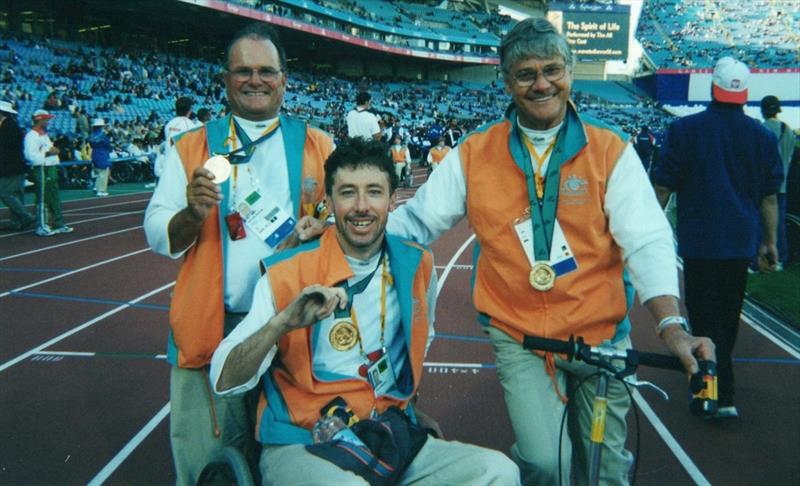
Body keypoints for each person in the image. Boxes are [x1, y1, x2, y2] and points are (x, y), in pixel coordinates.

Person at [381, 18, 715, 485]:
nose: (541, 84)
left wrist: (671, 326)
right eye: (525, 73)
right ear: (506, 81)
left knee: (606, 471)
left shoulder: (609, 149)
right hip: (520, 336)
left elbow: (647, 238)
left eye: (552, 70)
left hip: (600, 337)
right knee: (544, 463)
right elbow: (415, 221)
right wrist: (341, 232)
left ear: (571, 72)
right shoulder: (475, 152)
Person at [209, 138, 519, 485]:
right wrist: (280, 324)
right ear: (328, 201)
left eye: (373, 192)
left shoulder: (417, 263)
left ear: (392, 200)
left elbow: (419, 339)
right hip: (305, 440)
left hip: (386, 432)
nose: (361, 206)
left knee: (499, 472)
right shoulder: (286, 272)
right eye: (347, 193)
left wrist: (412, 410)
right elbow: (224, 380)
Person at [143, 23, 333, 485]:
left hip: (296, 329)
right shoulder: (191, 146)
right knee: (209, 460)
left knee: (292, 455)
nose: (255, 80)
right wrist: (192, 213)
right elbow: (157, 234)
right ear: (225, 78)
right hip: (214, 327)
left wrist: (325, 224)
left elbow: (346, 217)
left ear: (284, 79)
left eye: (266, 71)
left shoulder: (317, 144)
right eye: (243, 70)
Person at [652, 57, 783, 421]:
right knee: (727, 316)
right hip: (739, 241)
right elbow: (769, 197)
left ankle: (710, 388)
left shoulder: (686, 130)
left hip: (699, 240)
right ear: (744, 92)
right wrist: (769, 242)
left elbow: (663, 185)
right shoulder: (762, 136)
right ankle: (721, 391)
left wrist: (646, 230)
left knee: (703, 316)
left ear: (713, 87)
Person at [760, 95, 796, 269]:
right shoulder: (788, 130)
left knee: (760, 223)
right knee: (779, 224)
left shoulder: (761, 129)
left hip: (763, 185)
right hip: (782, 184)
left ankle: (759, 258)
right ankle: (781, 258)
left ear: (764, 110)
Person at [24, 109, 72, 236]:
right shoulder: (31, 136)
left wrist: (54, 151)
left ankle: (58, 223)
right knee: (43, 197)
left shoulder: (44, 135)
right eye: (46, 119)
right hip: (41, 168)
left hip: (50, 167)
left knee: (53, 197)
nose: (48, 121)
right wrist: (48, 152)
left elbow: (50, 148)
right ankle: (42, 225)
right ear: (39, 119)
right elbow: (30, 156)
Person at [0, 100, 35, 230]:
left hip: (10, 166)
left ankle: (25, 216)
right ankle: (18, 221)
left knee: (5, 193)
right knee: (16, 194)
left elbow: (5, 150)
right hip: (16, 165)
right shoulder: (12, 125)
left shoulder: (7, 127)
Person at [89, 118, 112, 197]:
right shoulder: (102, 135)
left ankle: (96, 187)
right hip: (102, 154)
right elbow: (107, 145)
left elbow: (91, 144)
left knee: (98, 172)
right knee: (103, 172)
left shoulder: (91, 135)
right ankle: (101, 190)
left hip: (94, 153)